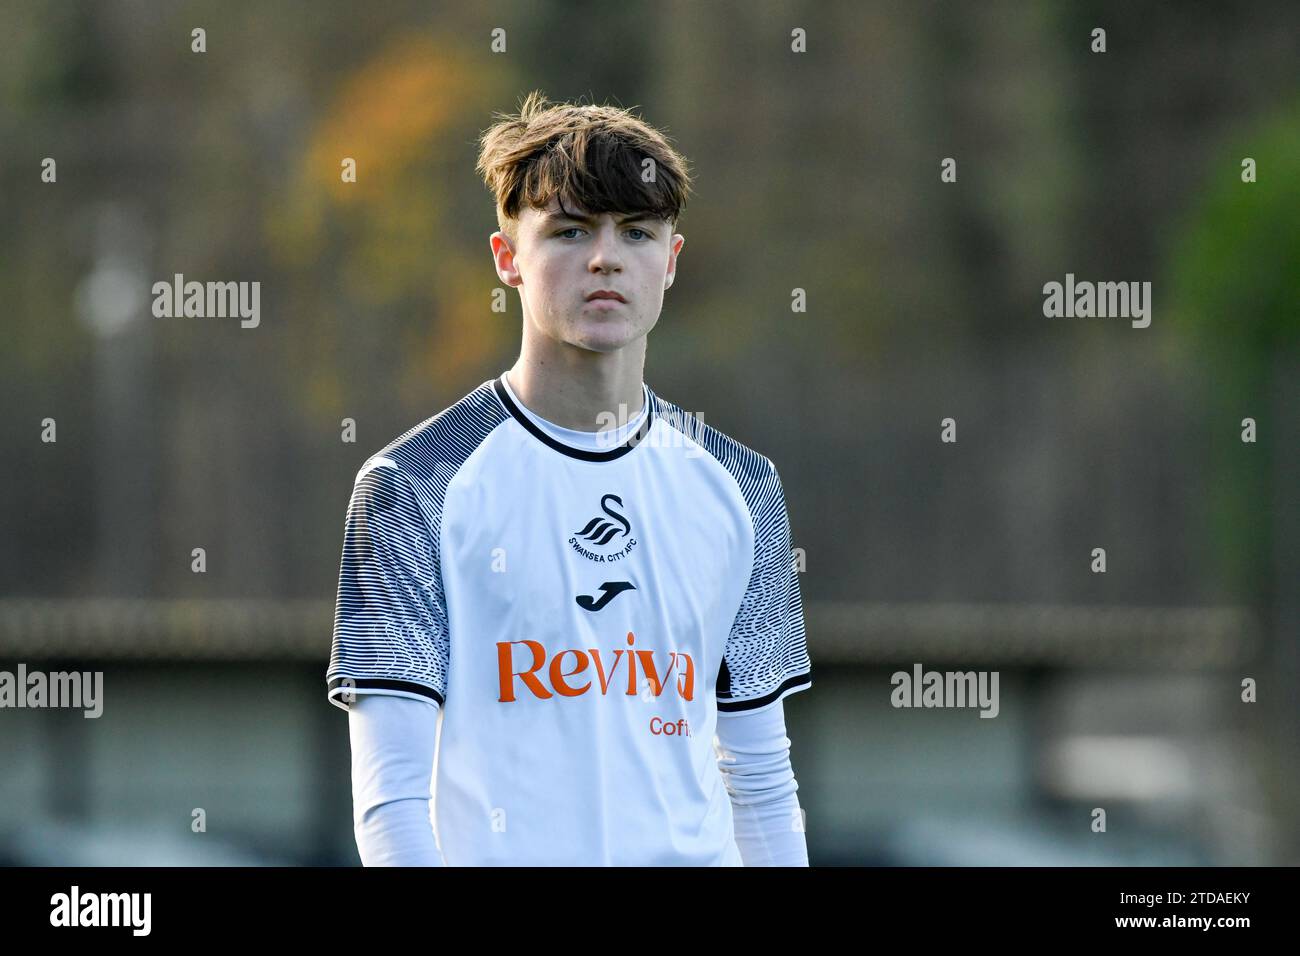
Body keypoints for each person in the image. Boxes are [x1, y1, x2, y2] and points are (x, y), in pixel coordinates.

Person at [326, 90, 812, 866]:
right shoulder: (412, 485)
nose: (606, 258)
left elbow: (760, 780)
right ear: (507, 258)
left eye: (638, 232)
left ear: (671, 261)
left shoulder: (742, 487)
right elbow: (392, 803)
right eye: (570, 230)